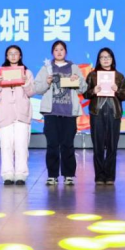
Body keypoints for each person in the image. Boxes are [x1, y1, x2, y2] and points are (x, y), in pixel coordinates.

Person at [34, 40, 87, 186]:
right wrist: (47, 82)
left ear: (66, 52)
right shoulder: (47, 68)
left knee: (67, 144)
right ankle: (52, 175)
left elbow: (83, 88)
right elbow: (37, 88)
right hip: (51, 113)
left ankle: (68, 175)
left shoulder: (73, 67)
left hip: (69, 112)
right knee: (52, 144)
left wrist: (77, 81)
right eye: (56, 50)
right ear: (52, 52)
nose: (59, 52)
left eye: (61, 49)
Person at [83, 48, 125, 185]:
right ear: (99, 60)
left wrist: (117, 90)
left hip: (114, 113)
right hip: (97, 113)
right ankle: (99, 176)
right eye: (102, 57)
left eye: (108, 57)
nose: (105, 59)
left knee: (112, 146)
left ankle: (109, 176)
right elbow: (85, 94)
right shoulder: (92, 75)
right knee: (98, 146)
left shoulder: (119, 76)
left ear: (112, 59)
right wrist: (93, 91)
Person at [0, 45, 35, 186]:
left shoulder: (27, 73)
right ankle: (7, 174)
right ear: (7, 56)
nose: (13, 56)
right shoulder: (0, 73)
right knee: (6, 146)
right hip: (5, 114)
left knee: (22, 145)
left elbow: (31, 92)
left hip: (22, 114)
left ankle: (21, 174)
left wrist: (25, 82)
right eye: (10, 53)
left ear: (20, 56)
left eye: (16, 53)